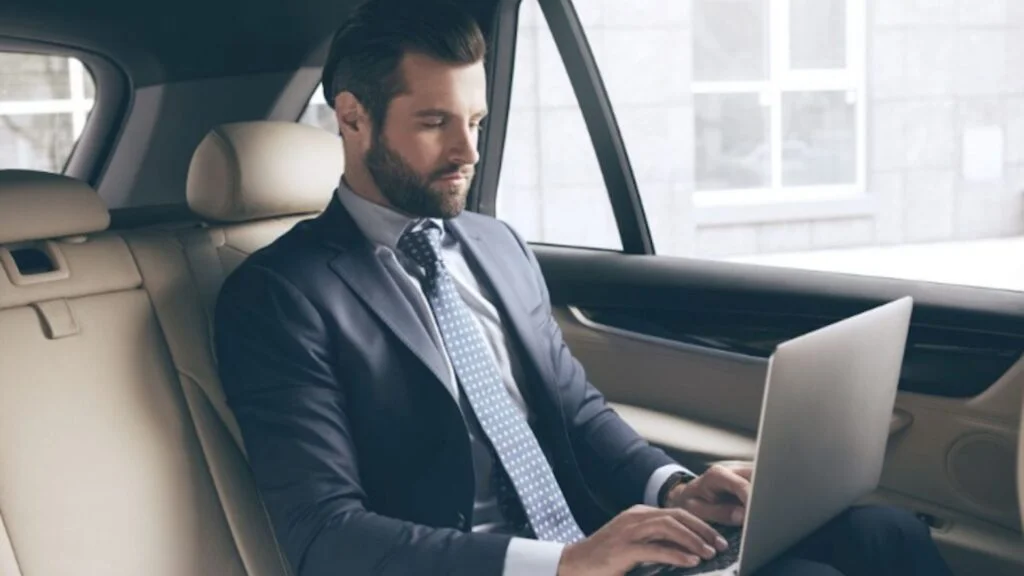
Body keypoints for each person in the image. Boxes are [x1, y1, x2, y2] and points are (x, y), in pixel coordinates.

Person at [214, 1, 955, 575]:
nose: (467, 151)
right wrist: (565, 564)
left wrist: (672, 489)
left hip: (593, 551)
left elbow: (575, 409)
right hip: (506, 566)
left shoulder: (495, 245)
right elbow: (324, 537)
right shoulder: (280, 296)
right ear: (351, 118)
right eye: (435, 123)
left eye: (476, 120)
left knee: (885, 533)